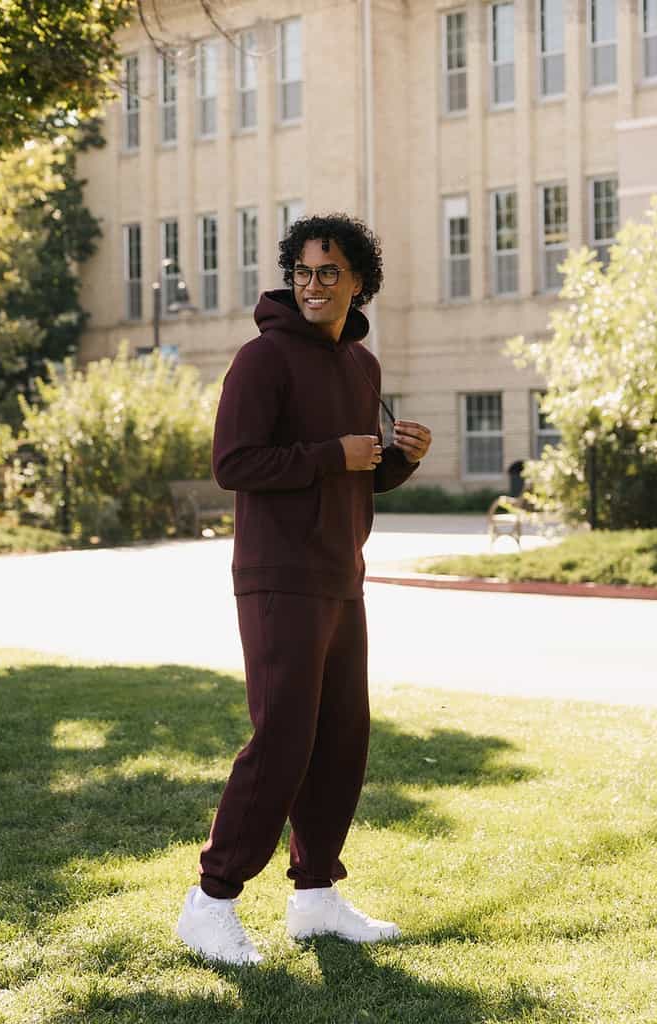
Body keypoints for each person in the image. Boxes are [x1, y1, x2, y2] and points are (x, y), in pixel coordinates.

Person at [176, 213, 432, 965]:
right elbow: (235, 463)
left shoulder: (363, 368)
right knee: (283, 739)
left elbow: (357, 471)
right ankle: (211, 901)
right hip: (277, 575)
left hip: (339, 574)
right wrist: (331, 454)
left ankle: (316, 897)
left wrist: (397, 461)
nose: (314, 286)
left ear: (359, 283)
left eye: (330, 273)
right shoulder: (262, 360)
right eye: (304, 273)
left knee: (341, 740)